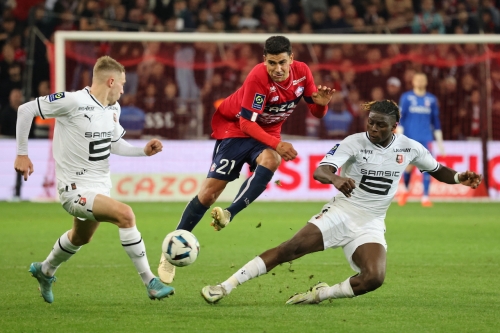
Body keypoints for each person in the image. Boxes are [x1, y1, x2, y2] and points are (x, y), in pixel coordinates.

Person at [200, 100, 482, 305]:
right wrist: (335, 179)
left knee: (373, 278)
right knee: (290, 249)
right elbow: (320, 170)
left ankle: (320, 294)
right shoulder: (354, 142)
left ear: (394, 126)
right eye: (370, 121)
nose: (373, 128)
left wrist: (459, 176)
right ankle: (224, 287)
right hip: (343, 212)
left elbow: (436, 170)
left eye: (380, 125)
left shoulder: (409, 147)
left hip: (371, 222)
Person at [158, 36, 335, 283]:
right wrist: (278, 143)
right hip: (236, 130)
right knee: (208, 195)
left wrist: (323, 106)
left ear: (291, 59)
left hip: (267, 134)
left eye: (282, 62)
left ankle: (229, 214)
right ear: (264, 60)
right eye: (272, 63)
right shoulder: (257, 77)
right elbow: (246, 122)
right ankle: (170, 253)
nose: (278, 68)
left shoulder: (303, 73)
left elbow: (315, 111)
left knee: (272, 160)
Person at [14, 56, 174, 303]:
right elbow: (26, 110)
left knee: (81, 237)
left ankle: (45, 271)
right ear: (110, 81)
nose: (123, 89)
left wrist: (142, 151)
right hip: (74, 189)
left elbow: (114, 144)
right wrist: (22, 153)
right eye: (121, 84)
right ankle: (151, 282)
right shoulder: (73, 101)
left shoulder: (113, 109)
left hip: (100, 187)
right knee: (126, 215)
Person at [398, 72, 445, 207]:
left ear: (426, 82)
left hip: (426, 138)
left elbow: (436, 122)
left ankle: (425, 197)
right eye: (417, 79)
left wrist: (440, 144)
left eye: (422, 79)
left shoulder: (431, 99)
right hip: (410, 138)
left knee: (428, 166)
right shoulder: (406, 98)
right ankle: (405, 190)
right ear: (413, 82)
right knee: (408, 167)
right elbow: (400, 118)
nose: (419, 82)